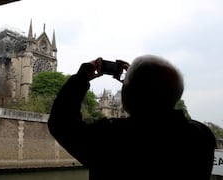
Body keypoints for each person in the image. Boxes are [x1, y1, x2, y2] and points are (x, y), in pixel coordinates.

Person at [48, 54, 217, 180]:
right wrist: (135, 85)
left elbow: (61, 122)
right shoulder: (202, 137)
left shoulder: (112, 138)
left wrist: (81, 78)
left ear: (128, 94)